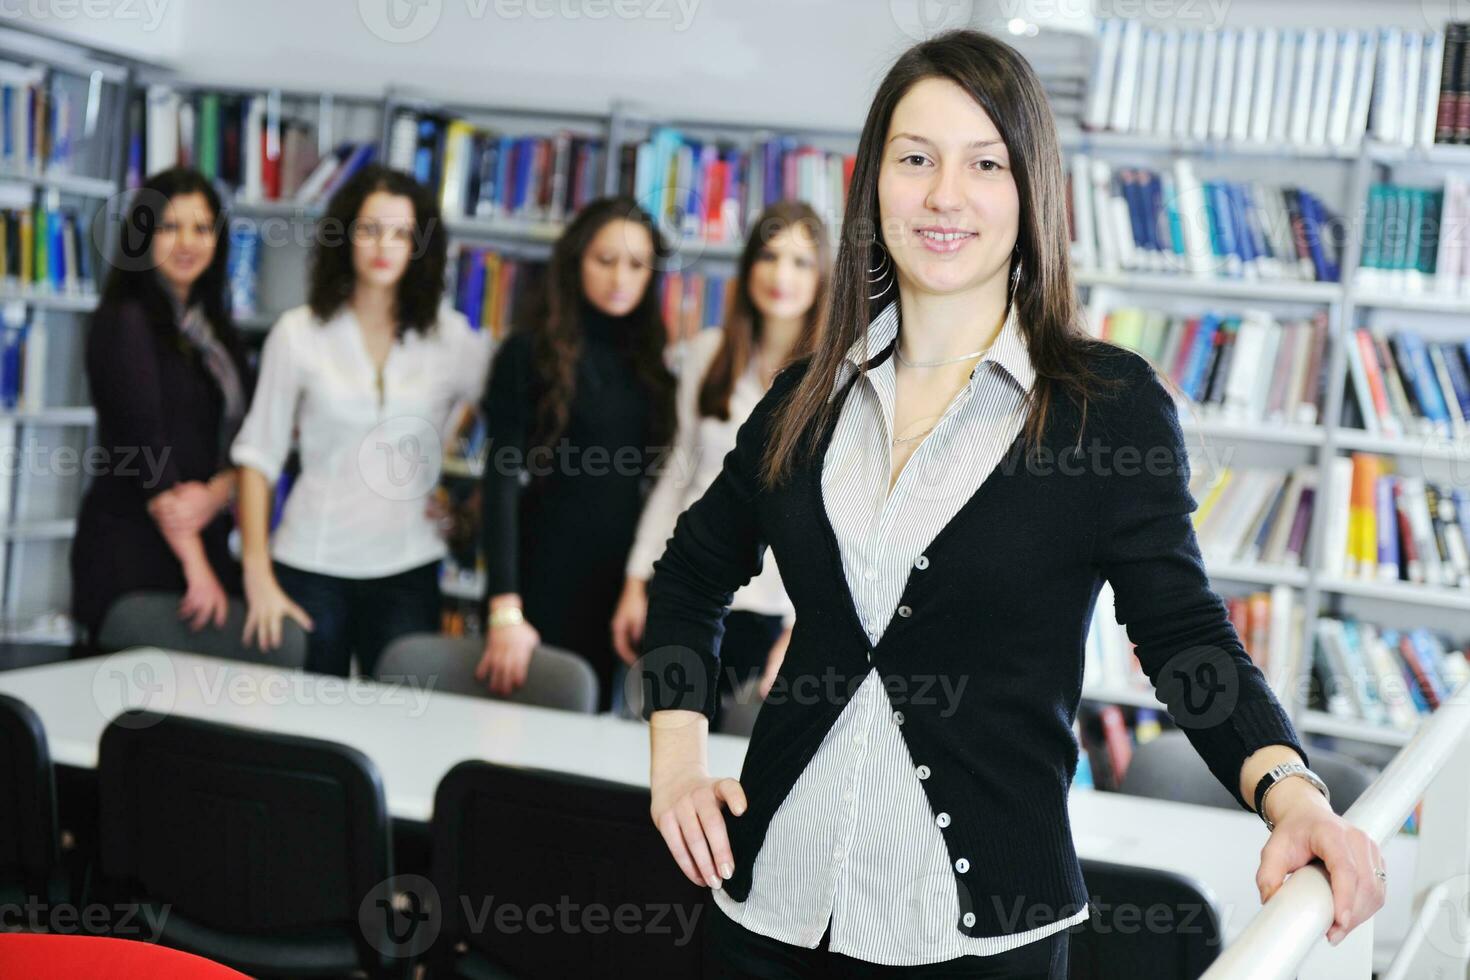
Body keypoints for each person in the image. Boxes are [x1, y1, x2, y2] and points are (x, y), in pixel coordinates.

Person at [639, 30, 1387, 979]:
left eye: (985, 163)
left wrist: (1291, 794)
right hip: (766, 916)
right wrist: (675, 761)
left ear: (1032, 190)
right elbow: (690, 577)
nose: (945, 194)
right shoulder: (804, 400)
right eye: (915, 160)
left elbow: (1182, 632)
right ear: (874, 185)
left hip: (981, 938)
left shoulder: (1103, 410)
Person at [231, 164, 490, 676]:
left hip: (407, 565)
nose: (383, 245)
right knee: (304, 725)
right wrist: (256, 572)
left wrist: (468, 513)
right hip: (309, 563)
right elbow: (257, 457)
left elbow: (515, 422)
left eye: (400, 233)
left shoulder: (451, 339)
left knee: (398, 729)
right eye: (369, 229)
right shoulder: (298, 333)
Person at [612, 201, 829, 730]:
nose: (782, 275)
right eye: (770, 256)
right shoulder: (707, 353)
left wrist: (804, 632)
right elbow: (676, 476)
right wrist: (636, 580)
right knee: (661, 754)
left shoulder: (832, 377)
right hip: (687, 592)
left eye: (802, 262)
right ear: (748, 265)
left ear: (824, 277)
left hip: (776, 613)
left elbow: (839, 520)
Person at [476, 196, 676, 713]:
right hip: (537, 578)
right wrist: (504, 607)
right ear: (575, 262)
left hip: (614, 584)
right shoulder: (527, 353)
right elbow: (499, 481)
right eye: (604, 260)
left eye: (636, 265)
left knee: (587, 731)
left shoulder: (653, 365)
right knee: (516, 732)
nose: (620, 279)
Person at [72, 167, 249, 646]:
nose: (186, 242)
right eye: (169, 227)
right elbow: (144, 446)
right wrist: (196, 565)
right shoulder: (125, 320)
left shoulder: (217, 333)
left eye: (201, 228)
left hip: (206, 534)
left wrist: (217, 494)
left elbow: (247, 442)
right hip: (135, 544)